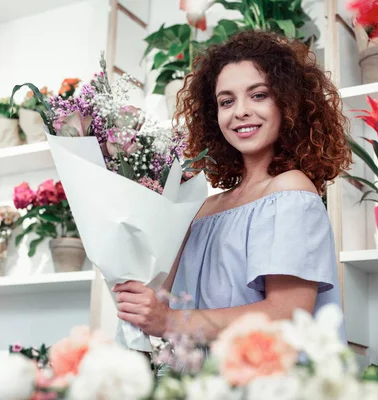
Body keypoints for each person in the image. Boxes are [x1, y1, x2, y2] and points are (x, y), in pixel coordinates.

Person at [112, 29, 352, 343]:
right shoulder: (204, 208)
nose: (240, 111)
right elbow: (164, 294)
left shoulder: (291, 190)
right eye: (227, 101)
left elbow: (287, 313)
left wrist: (171, 322)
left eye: (259, 95)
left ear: (289, 104)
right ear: (215, 115)